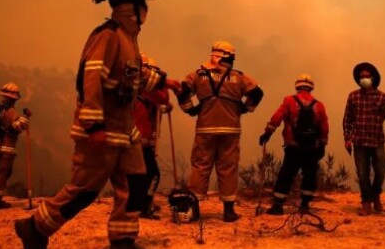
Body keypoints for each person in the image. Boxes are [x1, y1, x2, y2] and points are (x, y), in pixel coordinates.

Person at [15, 0, 168, 249]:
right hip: (102, 130)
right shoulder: (107, 36)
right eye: (143, 2)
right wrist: (94, 126)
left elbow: (131, 77)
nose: (146, 8)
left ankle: (123, 239)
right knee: (84, 190)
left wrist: (167, 83)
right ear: (129, 4)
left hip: (125, 131)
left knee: (135, 183)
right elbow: (92, 78)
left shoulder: (128, 39)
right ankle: (35, 227)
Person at [177, 40, 264, 222]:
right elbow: (257, 94)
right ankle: (229, 211)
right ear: (229, 57)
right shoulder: (239, 77)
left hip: (205, 129)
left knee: (201, 166)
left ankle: (194, 210)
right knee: (228, 167)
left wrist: (190, 109)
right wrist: (244, 109)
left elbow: (181, 90)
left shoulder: (198, 75)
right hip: (230, 130)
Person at [259, 74, 329, 214]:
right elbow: (324, 127)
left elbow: (277, 118)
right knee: (309, 174)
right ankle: (305, 205)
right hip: (312, 147)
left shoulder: (289, 101)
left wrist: (267, 133)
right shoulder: (319, 105)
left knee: (286, 174)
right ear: (311, 87)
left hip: (293, 146)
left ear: (297, 85)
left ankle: (278, 206)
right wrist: (322, 145)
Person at [342, 62, 385, 216]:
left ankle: (376, 194)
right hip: (359, 141)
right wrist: (347, 138)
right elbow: (347, 119)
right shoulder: (353, 96)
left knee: (381, 169)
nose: (364, 79)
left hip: (377, 140)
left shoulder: (381, 97)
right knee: (362, 174)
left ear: (373, 78)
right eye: (361, 77)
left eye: (366, 76)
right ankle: (366, 203)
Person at [126, 54, 175, 220]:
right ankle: (143, 206)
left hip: (133, 139)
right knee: (152, 174)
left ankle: (137, 204)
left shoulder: (134, 89)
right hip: (140, 141)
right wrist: (162, 82)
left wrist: (163, 109)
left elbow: (152, 107)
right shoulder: (145, 89)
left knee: (136, 175)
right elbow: (163, 97)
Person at [0, 82, 30, 209]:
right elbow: (18, 127)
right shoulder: (10, 111)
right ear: (14, 98)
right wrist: (26, 117)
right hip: (6, 148)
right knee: (3, 173)